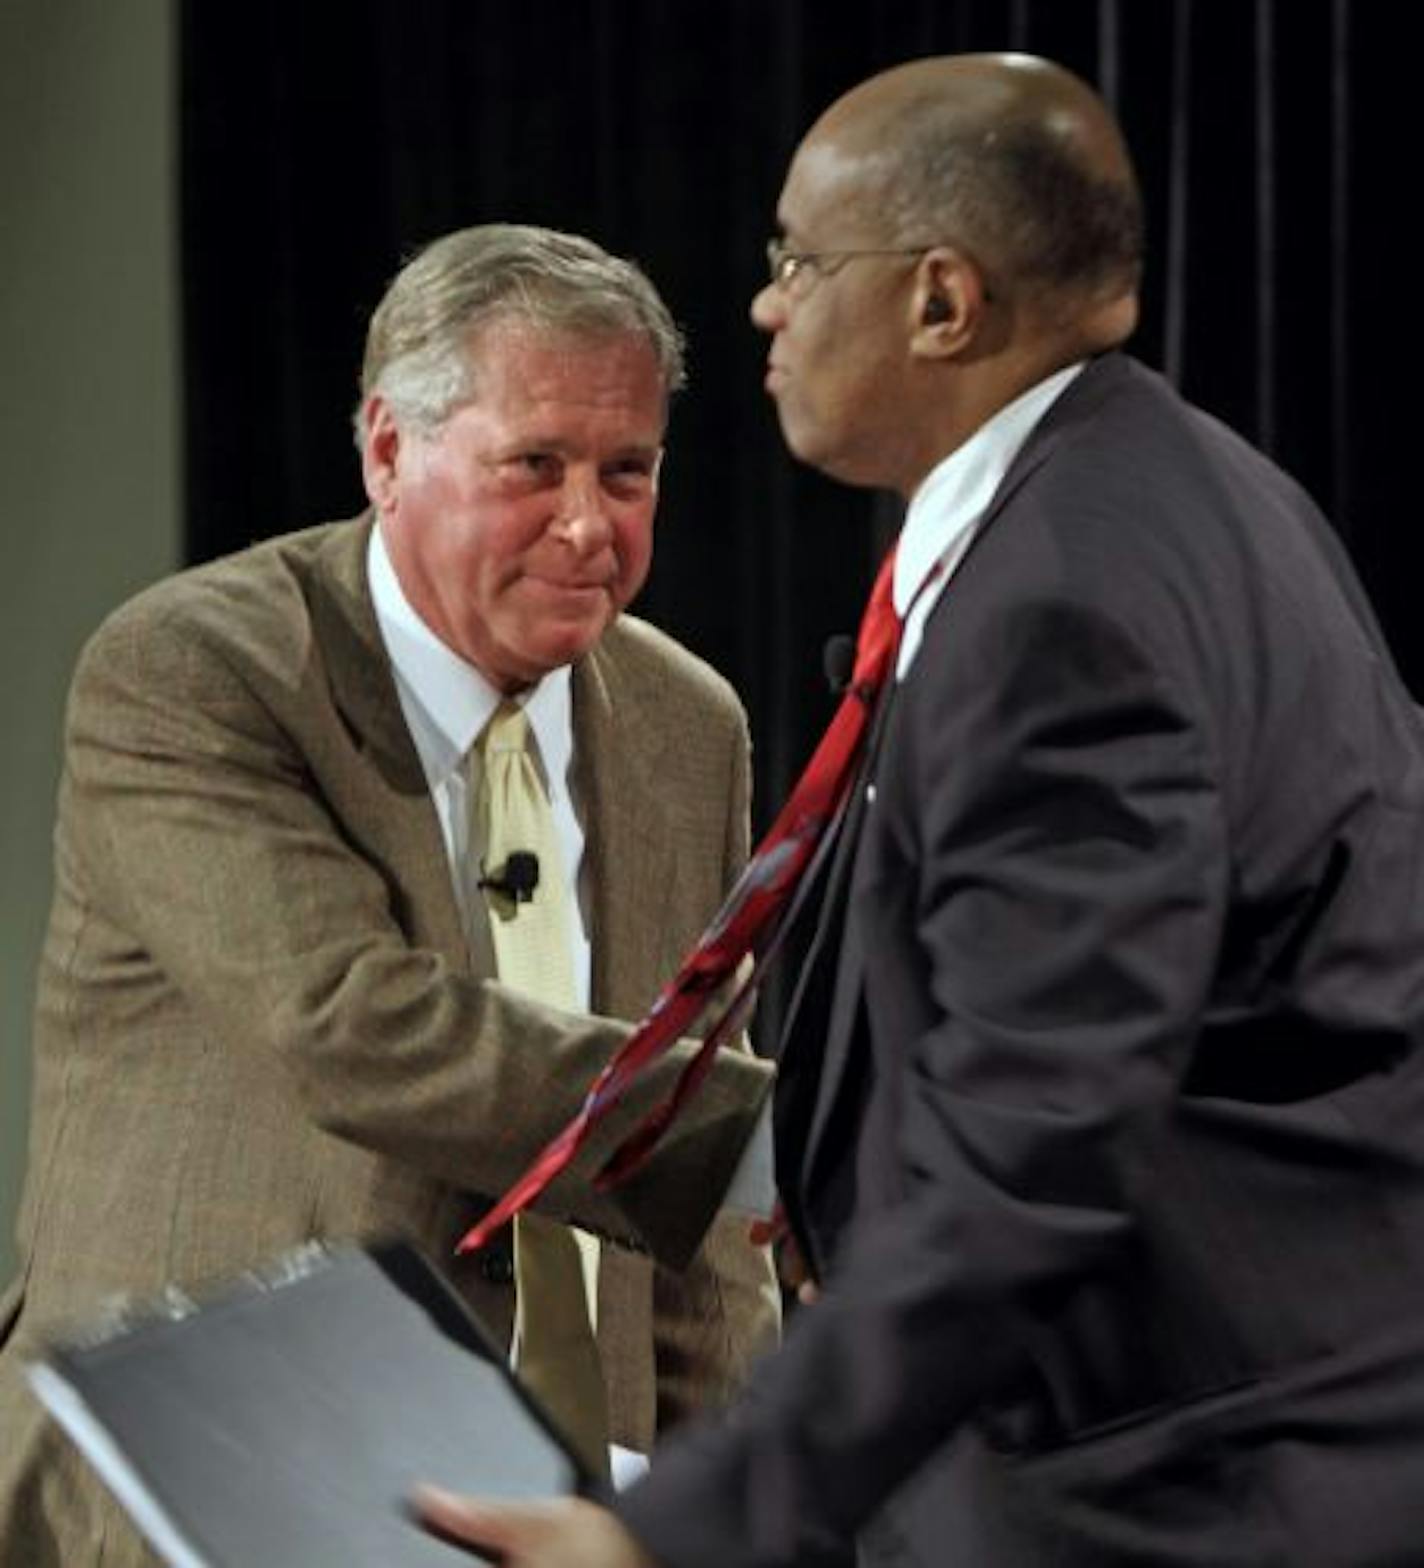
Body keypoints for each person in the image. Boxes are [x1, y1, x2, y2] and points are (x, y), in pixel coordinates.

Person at [416, 52, 1424, 1568]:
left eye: (798, 263)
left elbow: (1035, 1149)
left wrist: (675, 1533)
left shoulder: (1061, 602)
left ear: (942, 303)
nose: (764, 306)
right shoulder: (1181, 497)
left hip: (1164, 1485)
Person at [0, 223, 779, 1566]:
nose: (589, 523)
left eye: (629, 471)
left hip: (549, 1506)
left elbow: (704, 1235)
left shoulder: (683, 724)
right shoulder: (194, 670)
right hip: (207, 1486)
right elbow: (350, 1025)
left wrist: (721, 1509)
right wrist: (772, 1139)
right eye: (534, 465)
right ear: (386, 451)